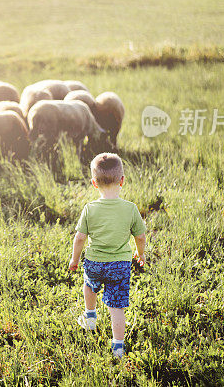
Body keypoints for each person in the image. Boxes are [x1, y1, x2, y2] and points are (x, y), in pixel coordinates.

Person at [68, 152, 146, 358]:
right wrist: (141, 255)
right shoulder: (130, 209)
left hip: (94, 262)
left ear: (94, 183)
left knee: (89, 284)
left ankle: (90, 316)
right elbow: (140, 236)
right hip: (120, 265)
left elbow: (79, 238)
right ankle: (118, 347)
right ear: (122, 180)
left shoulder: (90, 208)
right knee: (117, 307)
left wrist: (74, 260)